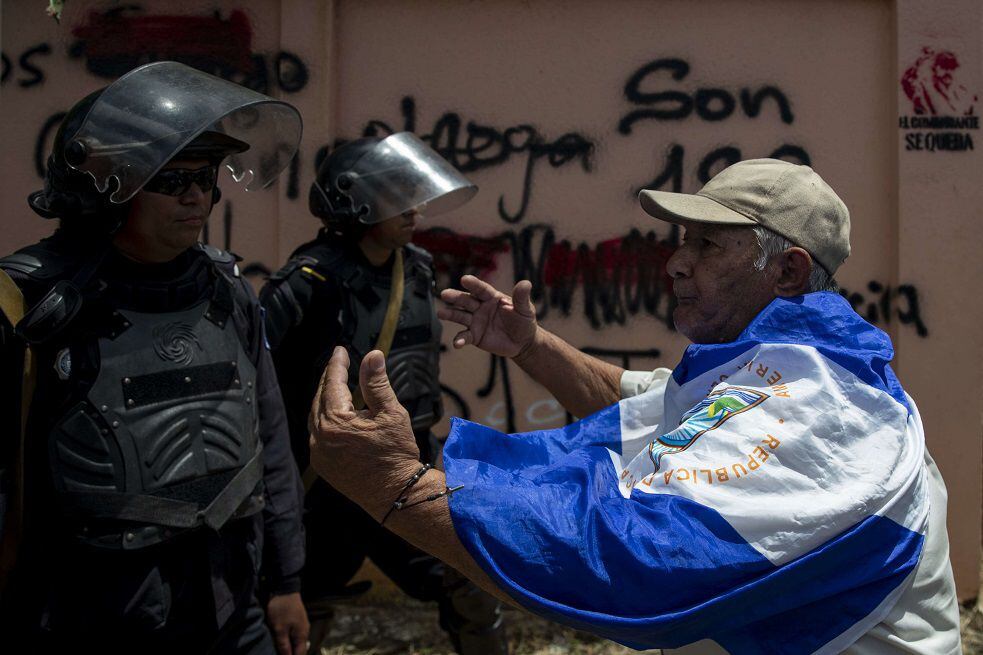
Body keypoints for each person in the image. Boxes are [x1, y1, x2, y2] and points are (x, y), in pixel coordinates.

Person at [307, 159, 962, 654]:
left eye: (706, 244)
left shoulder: (814, 410)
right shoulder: (774, 369)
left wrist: (393, 485)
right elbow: (649, 407)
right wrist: (531, 346)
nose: (675, 262)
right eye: (682, 240)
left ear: (786, 272)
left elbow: (626, 562)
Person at [0, 61, 309, 655]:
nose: (197, 196)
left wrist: (287, 580)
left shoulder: (227, 290)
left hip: (232, 605)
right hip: (92, 616)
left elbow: (270, 439)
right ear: (108, 188)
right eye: (171, 179)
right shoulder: (32, 303)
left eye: (206, 176)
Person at [260, 133, 509, 654]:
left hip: (409, 462)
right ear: (355, 202)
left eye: (413, 193)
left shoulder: (415, 266)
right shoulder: (309, 280)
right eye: (397, 194)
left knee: (470, 573)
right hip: (329, 479)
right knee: (304, 605)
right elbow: (257, 378)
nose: (414, 208)